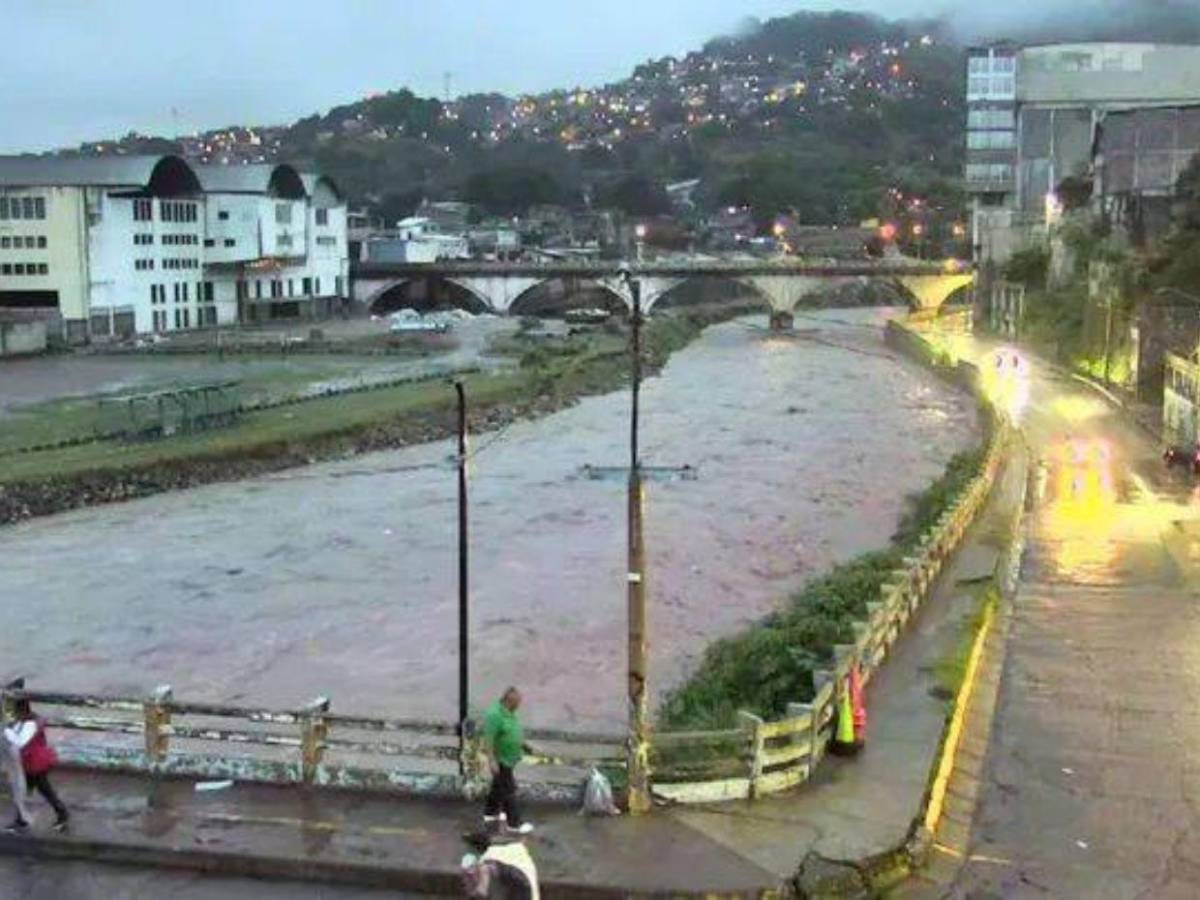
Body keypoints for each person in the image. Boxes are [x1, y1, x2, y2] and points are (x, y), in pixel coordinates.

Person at [4, 699, 68, 833]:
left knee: (34, 791)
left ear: (21, 711)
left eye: (14, 711)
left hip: (34, 764)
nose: (13, 714)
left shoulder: (30, 724)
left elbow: (20, 742)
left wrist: (6, 731)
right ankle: (60, 815)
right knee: (34, 791)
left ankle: (23, 821)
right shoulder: (24, 721)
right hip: (30, 763)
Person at [482, 687, 534, 835]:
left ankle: (490, 813)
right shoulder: (494, 715)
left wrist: (523, 745)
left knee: (498, 786)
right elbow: (489, 739)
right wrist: (492, 760)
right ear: (508, 701)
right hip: (501, 759)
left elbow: (513, 731)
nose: (519, 705)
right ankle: (514, 823)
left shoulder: (510, 712)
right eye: (517, 703)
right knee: (509, 790)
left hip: (510, 758)